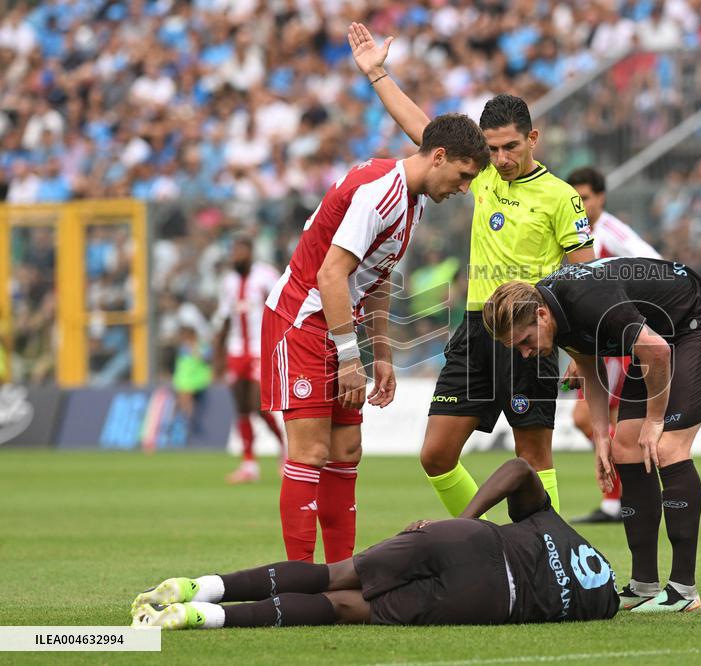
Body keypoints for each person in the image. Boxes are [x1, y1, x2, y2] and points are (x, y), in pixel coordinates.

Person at [349, 23, 596, 518]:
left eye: (510, 147)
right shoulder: (480, 173)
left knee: (533, 456)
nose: (500, 159)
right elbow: (423, 131)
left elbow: (583, 278)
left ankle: (550, 559)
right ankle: (489, 541)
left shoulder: (561, 196)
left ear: (533, 138)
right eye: (492, 148)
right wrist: (378, 75)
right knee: (436, 456)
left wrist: (581, 351)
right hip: (475, 330)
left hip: (528, 334)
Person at [260, 113, 489, 564]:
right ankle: (299, 578)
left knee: (347, 450)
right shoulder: (380, 194)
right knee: (311, 451)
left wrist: (381, 353)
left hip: (339, 321)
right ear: (438, 156)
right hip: (302, 320)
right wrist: (350, 358)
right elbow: (330, 274)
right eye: (463, 176)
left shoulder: (414, 199)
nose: (464, 189)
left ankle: (340, 573)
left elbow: (376, 276)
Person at [483, 257, 701, 613]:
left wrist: (654, 421)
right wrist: (602, 436)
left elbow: (657, 352)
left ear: (541, 316)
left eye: (525, 341)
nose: (525, 352)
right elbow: (589, 363)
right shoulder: (551, 309)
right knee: (624, 449)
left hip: (700, 325)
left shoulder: (587, 300)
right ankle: (644, 585)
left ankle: (683, 589)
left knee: (667, 448)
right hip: (658, 336)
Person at [130, 458, 619, 629]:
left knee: (335, 572)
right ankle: (198, 617)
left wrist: (464, 523)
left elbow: (518, 470)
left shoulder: (553, 524)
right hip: (490, 598)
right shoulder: (601, 602)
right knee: (343, 606)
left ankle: (196, 586)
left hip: (466, 539)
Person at [564, 166, 662, 524]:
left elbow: (656, 266)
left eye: (585, 197)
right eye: (574, 198)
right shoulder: (572, 233)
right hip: (593, 342)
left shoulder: (613, 233)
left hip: (617, 342)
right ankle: (622, 499)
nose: (580, 204)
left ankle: (625, 499)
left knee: (607, 421)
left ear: (601, 198)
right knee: (591, 421)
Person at [212, 236, 284, 484]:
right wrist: (218, 358)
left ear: (250, 252)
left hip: (259, 350)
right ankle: (249, 464)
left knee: (259, 405)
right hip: (236, 350)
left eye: (240, 251)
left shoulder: (266, 275)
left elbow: (282, 307)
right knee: (241, 407)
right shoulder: (228, 282)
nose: (236, 256)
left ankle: (284, 449)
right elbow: (224, 318)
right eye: (233, 251)